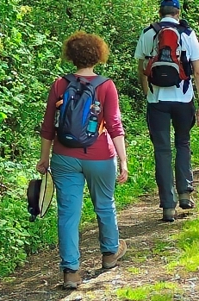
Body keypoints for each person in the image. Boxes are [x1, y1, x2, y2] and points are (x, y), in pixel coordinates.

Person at [37, 31, 130, 289]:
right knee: (104, 204)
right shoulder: (106, 85)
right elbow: (114, 125)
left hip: (64, 156)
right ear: (98, 55)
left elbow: (48, 126)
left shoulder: (59, 84)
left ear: (71, 56)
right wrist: (123, 160)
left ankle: (70, 271)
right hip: (99, 155)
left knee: (68, 213)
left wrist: (44, 158)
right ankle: (110, 253)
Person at [135, 0, 199, 222]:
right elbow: (198, 71)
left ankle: (168, 207)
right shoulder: (187, 33)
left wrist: (148, 92)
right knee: (183, 142)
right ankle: (185, 193)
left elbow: (141, 67)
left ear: (160, 12)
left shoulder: (148, 33)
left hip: (157, 101)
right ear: (177, 13)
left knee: (162, 151)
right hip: (183, 98)